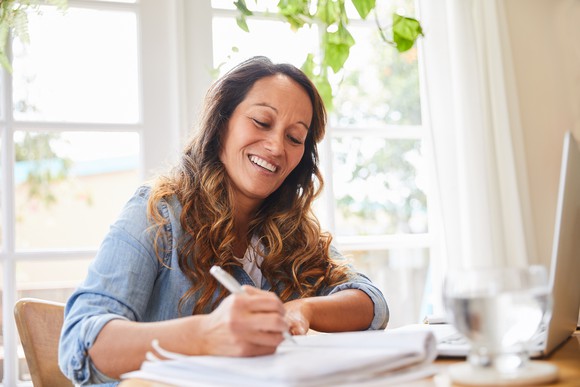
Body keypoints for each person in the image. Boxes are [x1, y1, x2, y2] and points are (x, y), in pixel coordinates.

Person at [59, 56, 389, 386]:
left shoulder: (293, 232)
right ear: (221, 123)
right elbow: (82, 345)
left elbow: (370, 301)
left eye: (294, 138)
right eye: (261, 121)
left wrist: (305, 309)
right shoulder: (159, 212)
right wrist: (205, 335)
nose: (276, 146)